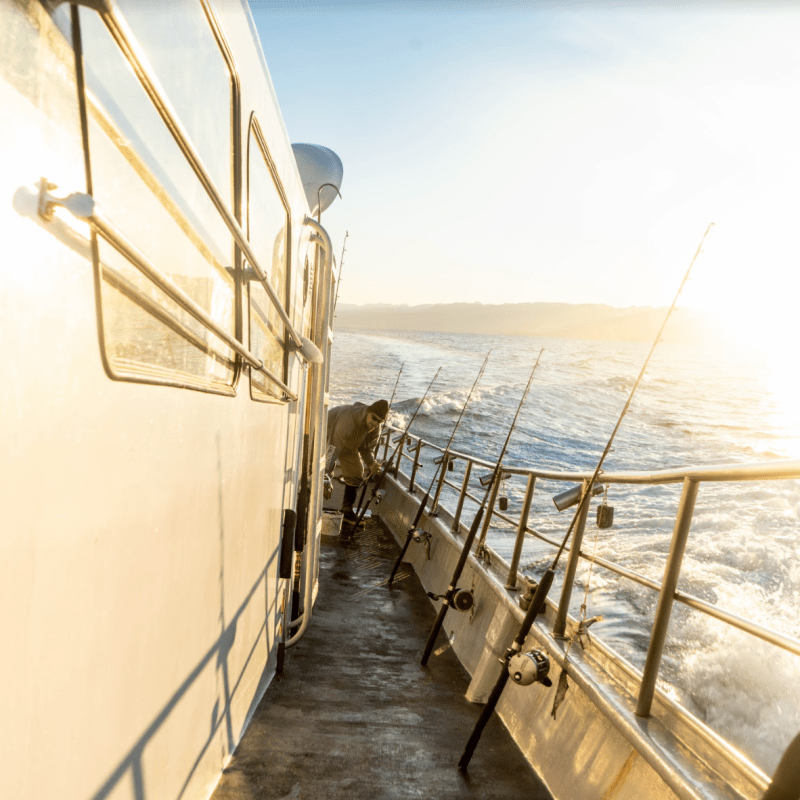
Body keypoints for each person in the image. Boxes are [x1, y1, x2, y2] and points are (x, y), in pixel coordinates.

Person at [326, 399, 389, 524]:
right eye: (374, 418)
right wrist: (326, 476)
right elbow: (333, 449)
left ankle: (346, 511)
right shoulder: (348, 419)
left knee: (356, 473)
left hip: (348, 446)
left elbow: (367, 449)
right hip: (327, 438)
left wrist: (371, 463)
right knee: (318, 470)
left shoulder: (375, 428)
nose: (375, 423)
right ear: (368, 412)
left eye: (380, 421)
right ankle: (309, 505)